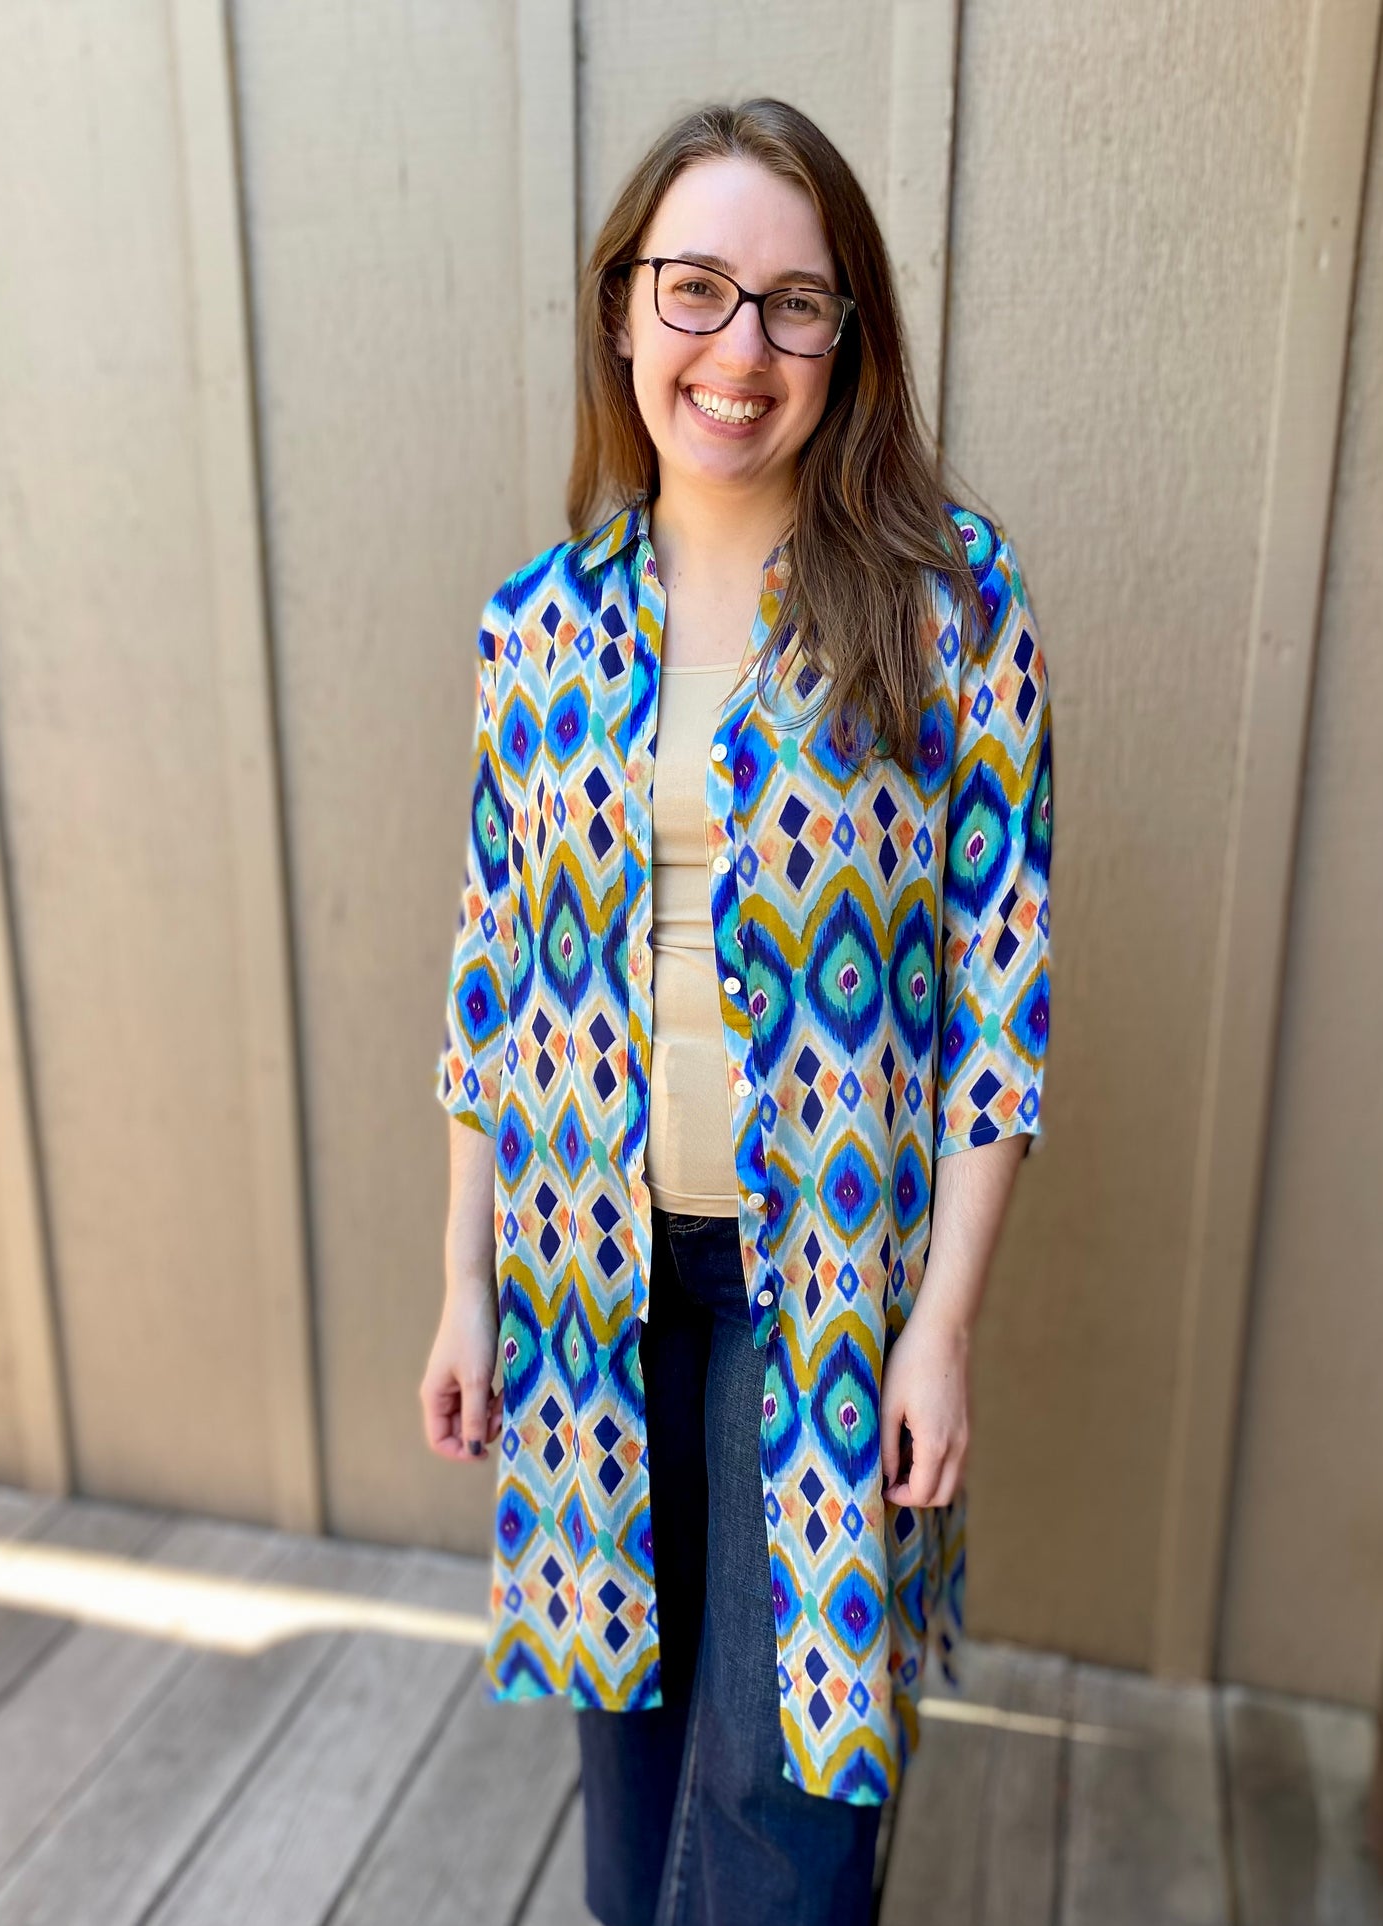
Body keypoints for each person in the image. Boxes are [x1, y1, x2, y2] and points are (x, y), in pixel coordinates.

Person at [420, 97, 1053, 1926]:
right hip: (579, 1277)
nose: (739, 347)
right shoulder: (537, 628)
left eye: (794, 302)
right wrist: (463, 1277)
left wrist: (941, 1326)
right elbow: (489, 979)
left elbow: (997, 997)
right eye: (695, 290)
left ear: (847, 341)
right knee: (631, 1773)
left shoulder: (944, 605)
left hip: (823, 1292)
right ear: (622, 313)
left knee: (780, 1805)